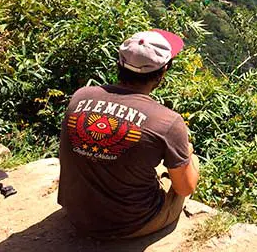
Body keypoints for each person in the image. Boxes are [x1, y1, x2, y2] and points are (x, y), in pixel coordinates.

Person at [58, 29, 199, 239]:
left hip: (76, 215)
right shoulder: (168, 121)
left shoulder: (81, 96)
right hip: (131, 224)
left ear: (119, 63)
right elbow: (185, 188)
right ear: (163, 71)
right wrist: (186, 153)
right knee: (189, 156)